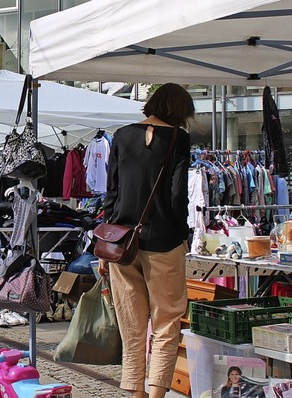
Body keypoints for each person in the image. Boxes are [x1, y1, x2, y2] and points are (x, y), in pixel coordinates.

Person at [97, 83, 193, 398]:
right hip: (164, 242)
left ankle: (135, 393)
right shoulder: (179, 139)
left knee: (133, 327)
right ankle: (155, 396)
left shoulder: (122, 136)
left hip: (121, 244)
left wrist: (106, 239)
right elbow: (178, 195)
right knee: (167, 324)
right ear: (180, 110)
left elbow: (112, 193)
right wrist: (183, 234)